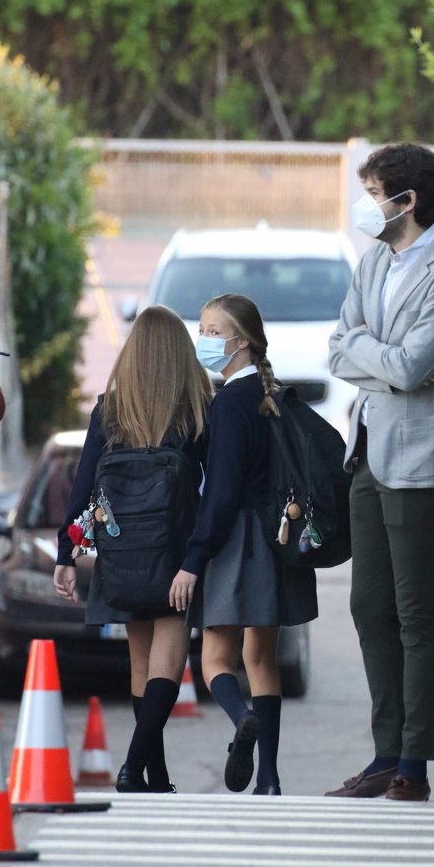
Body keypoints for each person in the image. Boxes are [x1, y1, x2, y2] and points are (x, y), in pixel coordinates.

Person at [325, 142, 434, 803]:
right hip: (370, 447)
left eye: (375, 190)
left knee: (416, 611)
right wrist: (390, 356)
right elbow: (339, 348)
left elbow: (414, 368)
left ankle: (413, 761)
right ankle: (385, 751)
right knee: (368, 605)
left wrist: (391, 358)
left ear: (406, 201)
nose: (367, 204)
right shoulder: (371, 263)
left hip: (426, 462)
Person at [53, 306, 212, 793]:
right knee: (168, 661)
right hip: (173, 551)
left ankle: (154, 775)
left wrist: (67, 553)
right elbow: (215, 487)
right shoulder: (196, 410)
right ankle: (131, 766)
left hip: (120, 553)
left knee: (140, 666)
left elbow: (82, 489)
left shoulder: (110, 409)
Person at [170, 294, 317, 795]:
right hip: (278, 538)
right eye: (203, 328)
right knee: (263, 660)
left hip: (237, 541)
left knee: (215, 658)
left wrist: (194, 558)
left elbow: (223, 491)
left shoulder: (229, 402)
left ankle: (241, 720)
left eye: (213, 332)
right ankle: (270, 780)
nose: (205, 339)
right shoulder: (271, 396)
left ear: (241, 343)